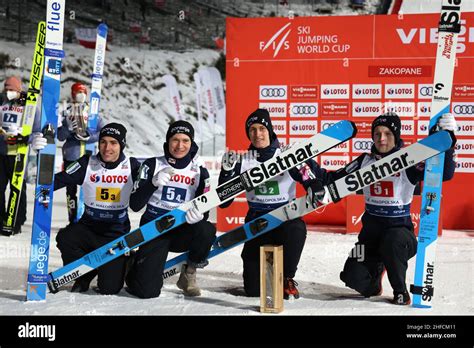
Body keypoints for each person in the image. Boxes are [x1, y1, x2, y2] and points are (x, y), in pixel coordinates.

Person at [337, 112, 457, 305]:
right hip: (369, 238)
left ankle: (400, 290)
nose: (381, 138)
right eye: (377, 133)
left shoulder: (408, 161)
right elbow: (336, 178)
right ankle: (375, 280)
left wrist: (448, 140)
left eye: (387, 134)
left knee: (392, 242)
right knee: (351, 276)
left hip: (400, 236)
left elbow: (446, 173)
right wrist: (309, 174)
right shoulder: (364, 161)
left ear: (397, 136)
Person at [218, 108, 328, 300]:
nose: (257, 134)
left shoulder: (286, 154)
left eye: (261, 128)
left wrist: (315, 184)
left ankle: (287, 277)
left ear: (269, 129)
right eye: (252, 130)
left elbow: (306, 177)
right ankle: (266, 269)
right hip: (256, 222)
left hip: (284, 218)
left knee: (296, 228)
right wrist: (227, 171)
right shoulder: (243, 160)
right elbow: (225, 203)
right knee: (253, 291)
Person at [32, 122, 140, 294]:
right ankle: (84, 275)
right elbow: (56, 181)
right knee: (66, 238)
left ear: (122, 145)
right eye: (103, 142)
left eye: (113, 143)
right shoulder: (86, 163)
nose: (107, 148)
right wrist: (41, 154)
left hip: (115, 233)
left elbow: (152, 186)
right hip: (88, 228)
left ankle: (125, 261)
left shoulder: (133, 166)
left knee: (109, 289)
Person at [126, 120, 216, 299]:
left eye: (185, 140)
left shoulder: (200, 172)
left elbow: (204, 209)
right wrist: (152, 183)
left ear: (192, 144)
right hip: (155, 230)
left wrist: (200, 215)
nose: (180, 145)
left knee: (207, 230)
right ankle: (134, 264)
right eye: (175, 140)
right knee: (147, 292)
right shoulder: (152, 165)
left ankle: (189, 273)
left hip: (182, 230)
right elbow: (135, 205)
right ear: (168, 142)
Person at [57, 82, 103, 226]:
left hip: (89, 156)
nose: (81, 95)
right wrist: (68, 128)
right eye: (78, 92)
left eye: (83, 92)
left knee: (88, 188)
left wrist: (89, 137)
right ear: (72, 94)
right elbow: (59, 136)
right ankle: (72, 221)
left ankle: (87, 219)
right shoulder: (66, 111)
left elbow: (103, 132)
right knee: (71, 190)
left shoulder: (93, 113)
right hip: (71, 155)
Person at [0, 76, 39, 235]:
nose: (9, 92)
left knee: (18, 190)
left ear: (19, 91)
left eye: (12, 90)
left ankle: (17, 221)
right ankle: (1, 219)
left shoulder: (29, 107)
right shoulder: (1, 104)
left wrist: (24, 138)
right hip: (1, 154)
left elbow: (37, 132)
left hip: (19, 155)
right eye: (6, 89)